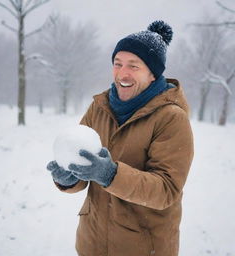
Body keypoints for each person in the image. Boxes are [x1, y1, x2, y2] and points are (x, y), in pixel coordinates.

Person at [47, 20, 194, 256]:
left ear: (153, 74)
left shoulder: (171, 118)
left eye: (134, 66)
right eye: (118, 64)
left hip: (143, 247)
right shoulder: (99, 107)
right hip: (92, 243)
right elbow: (85, 172)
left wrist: (110, 174)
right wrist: (69, 177)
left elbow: (167, 190)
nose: (122, 73)